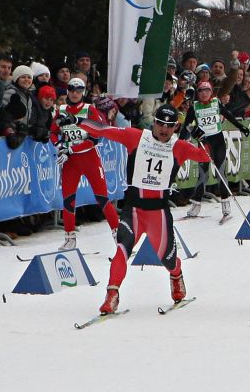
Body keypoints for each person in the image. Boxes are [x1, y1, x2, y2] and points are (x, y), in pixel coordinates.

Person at [78, 104, 211, 315]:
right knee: (122, 248)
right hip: (133, 209)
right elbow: (104, 130)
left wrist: (202, 138)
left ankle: (176, 274)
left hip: (158, 212)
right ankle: (112, 295)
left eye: (169, 125)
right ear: (153, 122)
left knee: (167, 258)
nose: (163, 129)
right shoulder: (137, 137)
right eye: (160, 123)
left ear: (176, 127)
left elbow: (205, 157)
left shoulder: (179, 147)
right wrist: (78, 122)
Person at [52, 78, 120, 250]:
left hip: (89, 159)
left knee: (102, 198)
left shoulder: (89, 109)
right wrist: (59, 145)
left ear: (83, 92)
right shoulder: (61, 110)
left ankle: (119, 236)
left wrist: (71, 150)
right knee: (68, 199)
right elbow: (52, 132)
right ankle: (69, 238)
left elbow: (95, 138)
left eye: (79, 90)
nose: (75, 93)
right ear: (67, 90)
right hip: (71, 163)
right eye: (72, 89)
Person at [180, 80, 250, 219]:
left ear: (211, 92)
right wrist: (192, 134)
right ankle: (196, 205)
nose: (204, 93)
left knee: (220, 173)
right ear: (198, 93)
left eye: (207, 91)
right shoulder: (194, 107)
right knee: (203, 174)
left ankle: (225, 203)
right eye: (201, 91)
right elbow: (187, 125)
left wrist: (241, 127)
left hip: (218, 141)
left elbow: (229, 115)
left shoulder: (216, 103)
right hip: (204, 143)